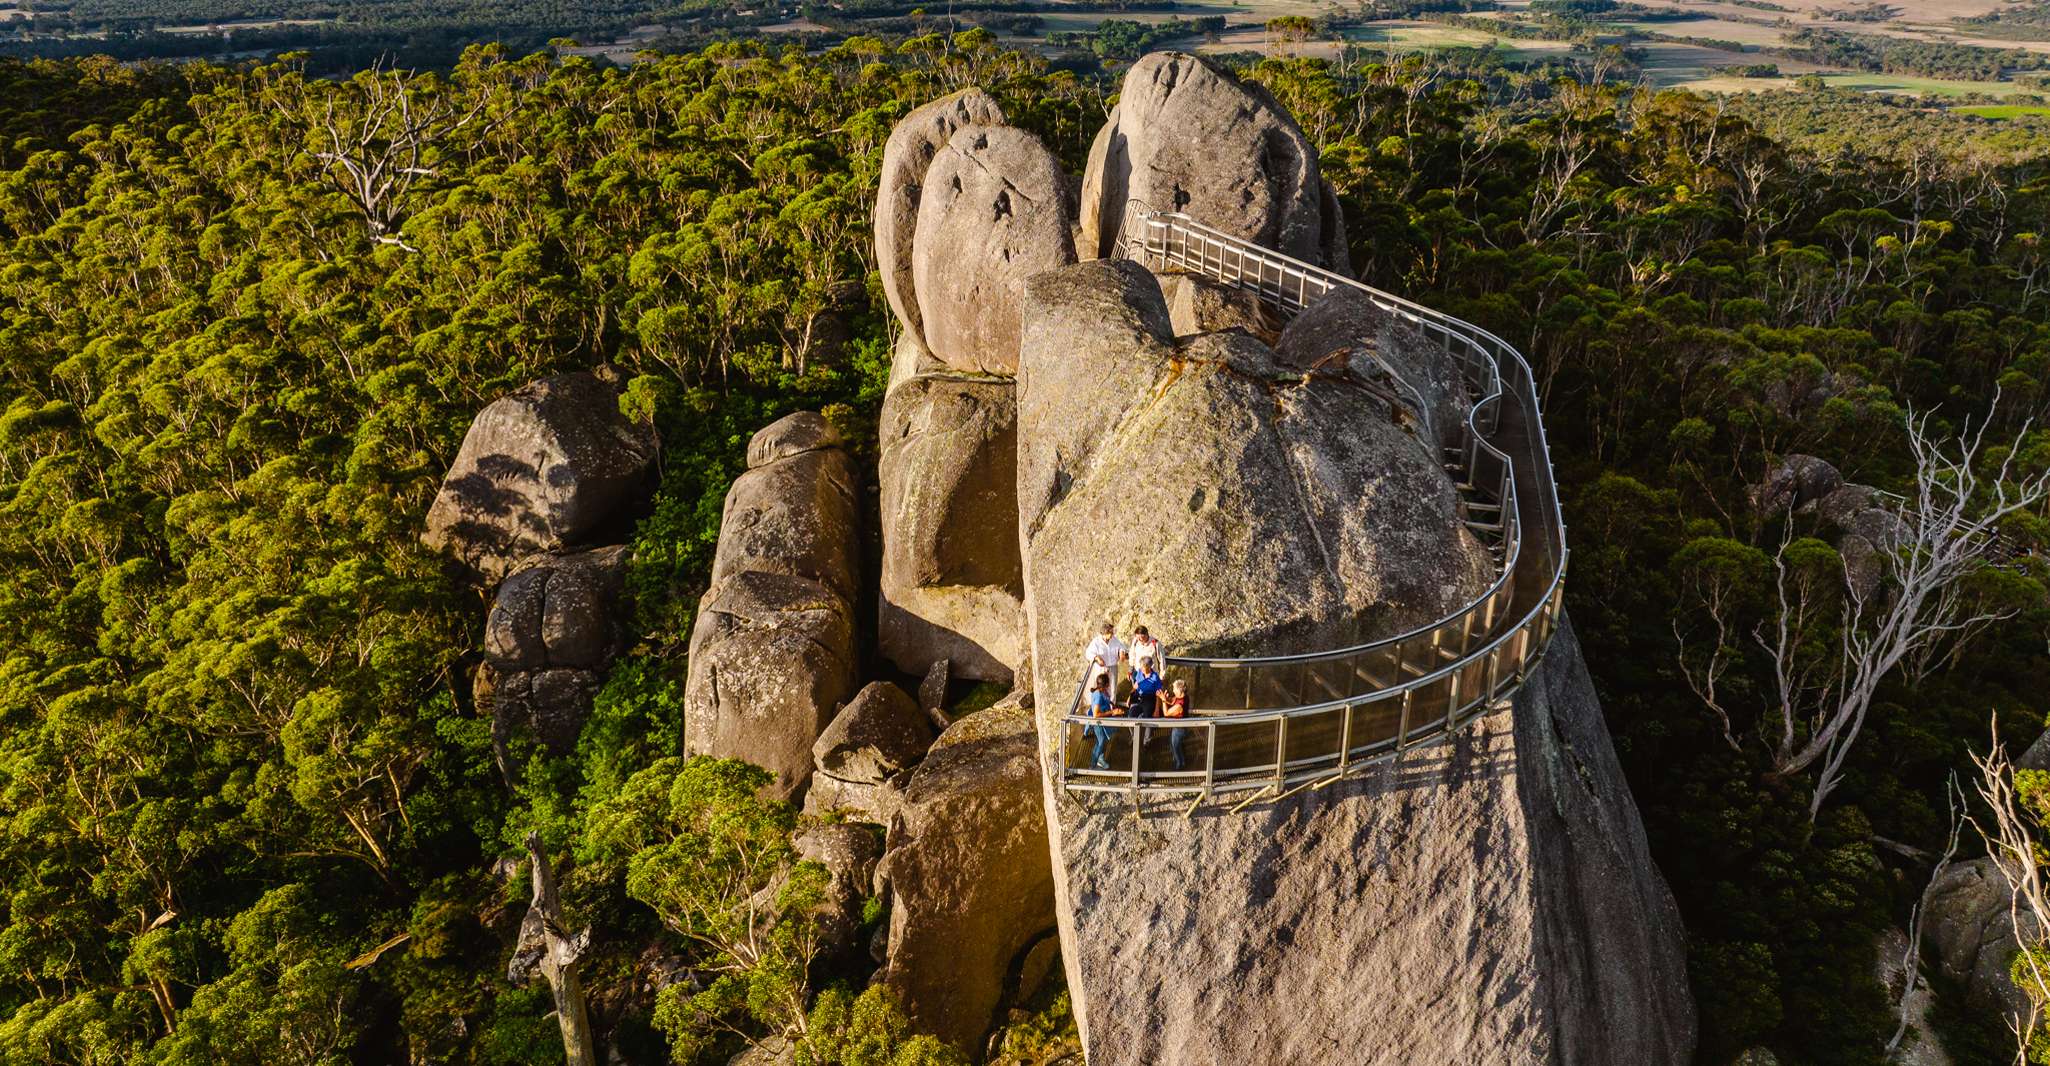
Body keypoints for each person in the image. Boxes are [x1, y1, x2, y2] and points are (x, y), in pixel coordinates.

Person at [1084, 671, 1121, 770]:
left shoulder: (1101, 691)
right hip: (1098, 723)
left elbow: (1106, 700)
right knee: (1100, 741)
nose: (1109, 685)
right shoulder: (1098, 695)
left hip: (1103, 721)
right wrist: (1113, 712)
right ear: (1106, 685)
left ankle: (1100, 758)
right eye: (1108, 683)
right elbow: (1096, 714)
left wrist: (1112, 705)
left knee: (1103, 739)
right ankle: (1092, 765)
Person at [1085, 622, 1125, 691]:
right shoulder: (1096, 642)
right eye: (1111, 633)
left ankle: (1112, 702)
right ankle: (1100, 701)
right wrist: (1097, 658)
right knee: (1101, 688)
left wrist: (1121, 652)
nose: (1113, 634)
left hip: (1113, 667)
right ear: (1104, 633)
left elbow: (1121, 646)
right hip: (1101, 669)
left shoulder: (1114, 639)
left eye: (1112, 632)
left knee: (1112, 688)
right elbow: (1088, 653)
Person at [1162, 677, 1191, 770]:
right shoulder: (1184, 697)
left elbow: (1166, 713)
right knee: (1174, 745)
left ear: (1179, 690)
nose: (1173, 690)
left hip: (1179, 730)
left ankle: (1179, 766)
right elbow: (1172, 700)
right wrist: (1166, 698)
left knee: (1175, 748)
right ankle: (1181, 762)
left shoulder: (1179, 705)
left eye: (1174, 688)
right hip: (1179, 728)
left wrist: (1163, 701)